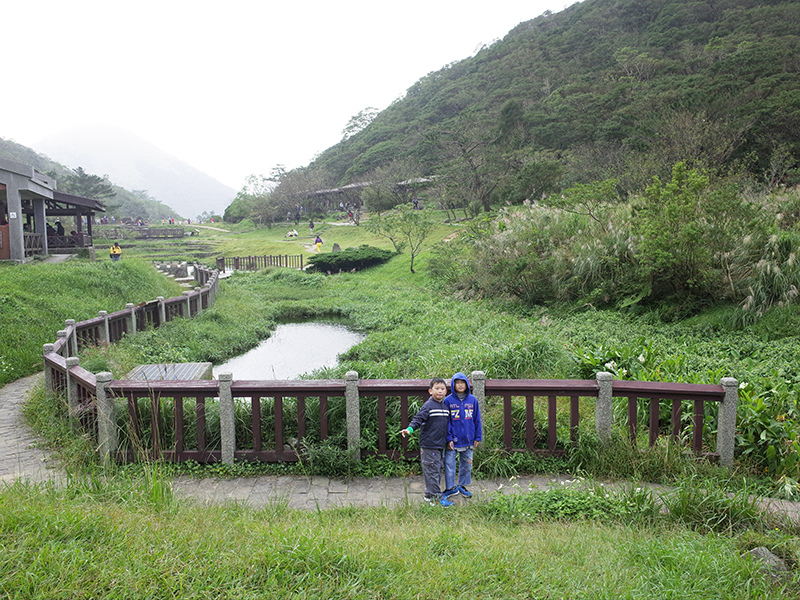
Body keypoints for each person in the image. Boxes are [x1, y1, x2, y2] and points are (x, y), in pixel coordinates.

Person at [400, 378, 453, 507]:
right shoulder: (428, 406)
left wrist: (449, 440)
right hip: (429, 445)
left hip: (440, 445)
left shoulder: (445, 406)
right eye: (437, 388)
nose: (440, 391)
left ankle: (429, 495)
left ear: (446, 391)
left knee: (437, 469)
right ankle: (436, 498)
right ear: (430, 391)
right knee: (432, 471)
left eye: (442, 389)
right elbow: (418, 419)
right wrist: (409, 429)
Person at [442, 372, 482, 501]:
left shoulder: (472, 400)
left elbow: (477, 419)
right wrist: (448, 438)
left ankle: (463, 485)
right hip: (453, 440)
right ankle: (450, 487)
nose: (460, 385)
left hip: (469, 439)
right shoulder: (448, 401)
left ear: (467, 384)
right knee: (449, 463)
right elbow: (446, 421)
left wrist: (478, 436)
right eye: (457, 383)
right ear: (453, 385)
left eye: (462, 382)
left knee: (466, 464)